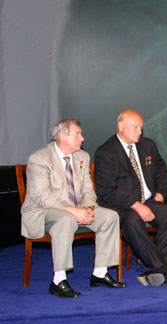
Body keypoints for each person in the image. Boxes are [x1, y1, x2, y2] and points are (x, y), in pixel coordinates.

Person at [21, 118, 125, 298]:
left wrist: (88, 207)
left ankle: (100, 274)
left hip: (76, 210)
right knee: (65, 219)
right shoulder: (39, 158)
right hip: (43, 212)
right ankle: (58, 280)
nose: (82, 138)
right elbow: (41, 196)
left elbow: (88, 190)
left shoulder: (82, 157)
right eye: (78, 134)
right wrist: (72, 210)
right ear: (62, 136)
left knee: (110, 216)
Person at [94, 109, 167, 287]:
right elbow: (107, 190)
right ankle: (165, 269)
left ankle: (158, 270)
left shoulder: (148, 145)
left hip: (148, 200)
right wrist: (135, 205)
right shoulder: (106, 152)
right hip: (121, 205)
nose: (139, 132)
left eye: (141, 127)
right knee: (132, 221)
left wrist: (160, 191)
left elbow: (162, 171)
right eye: (135, 127)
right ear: (120, 126)